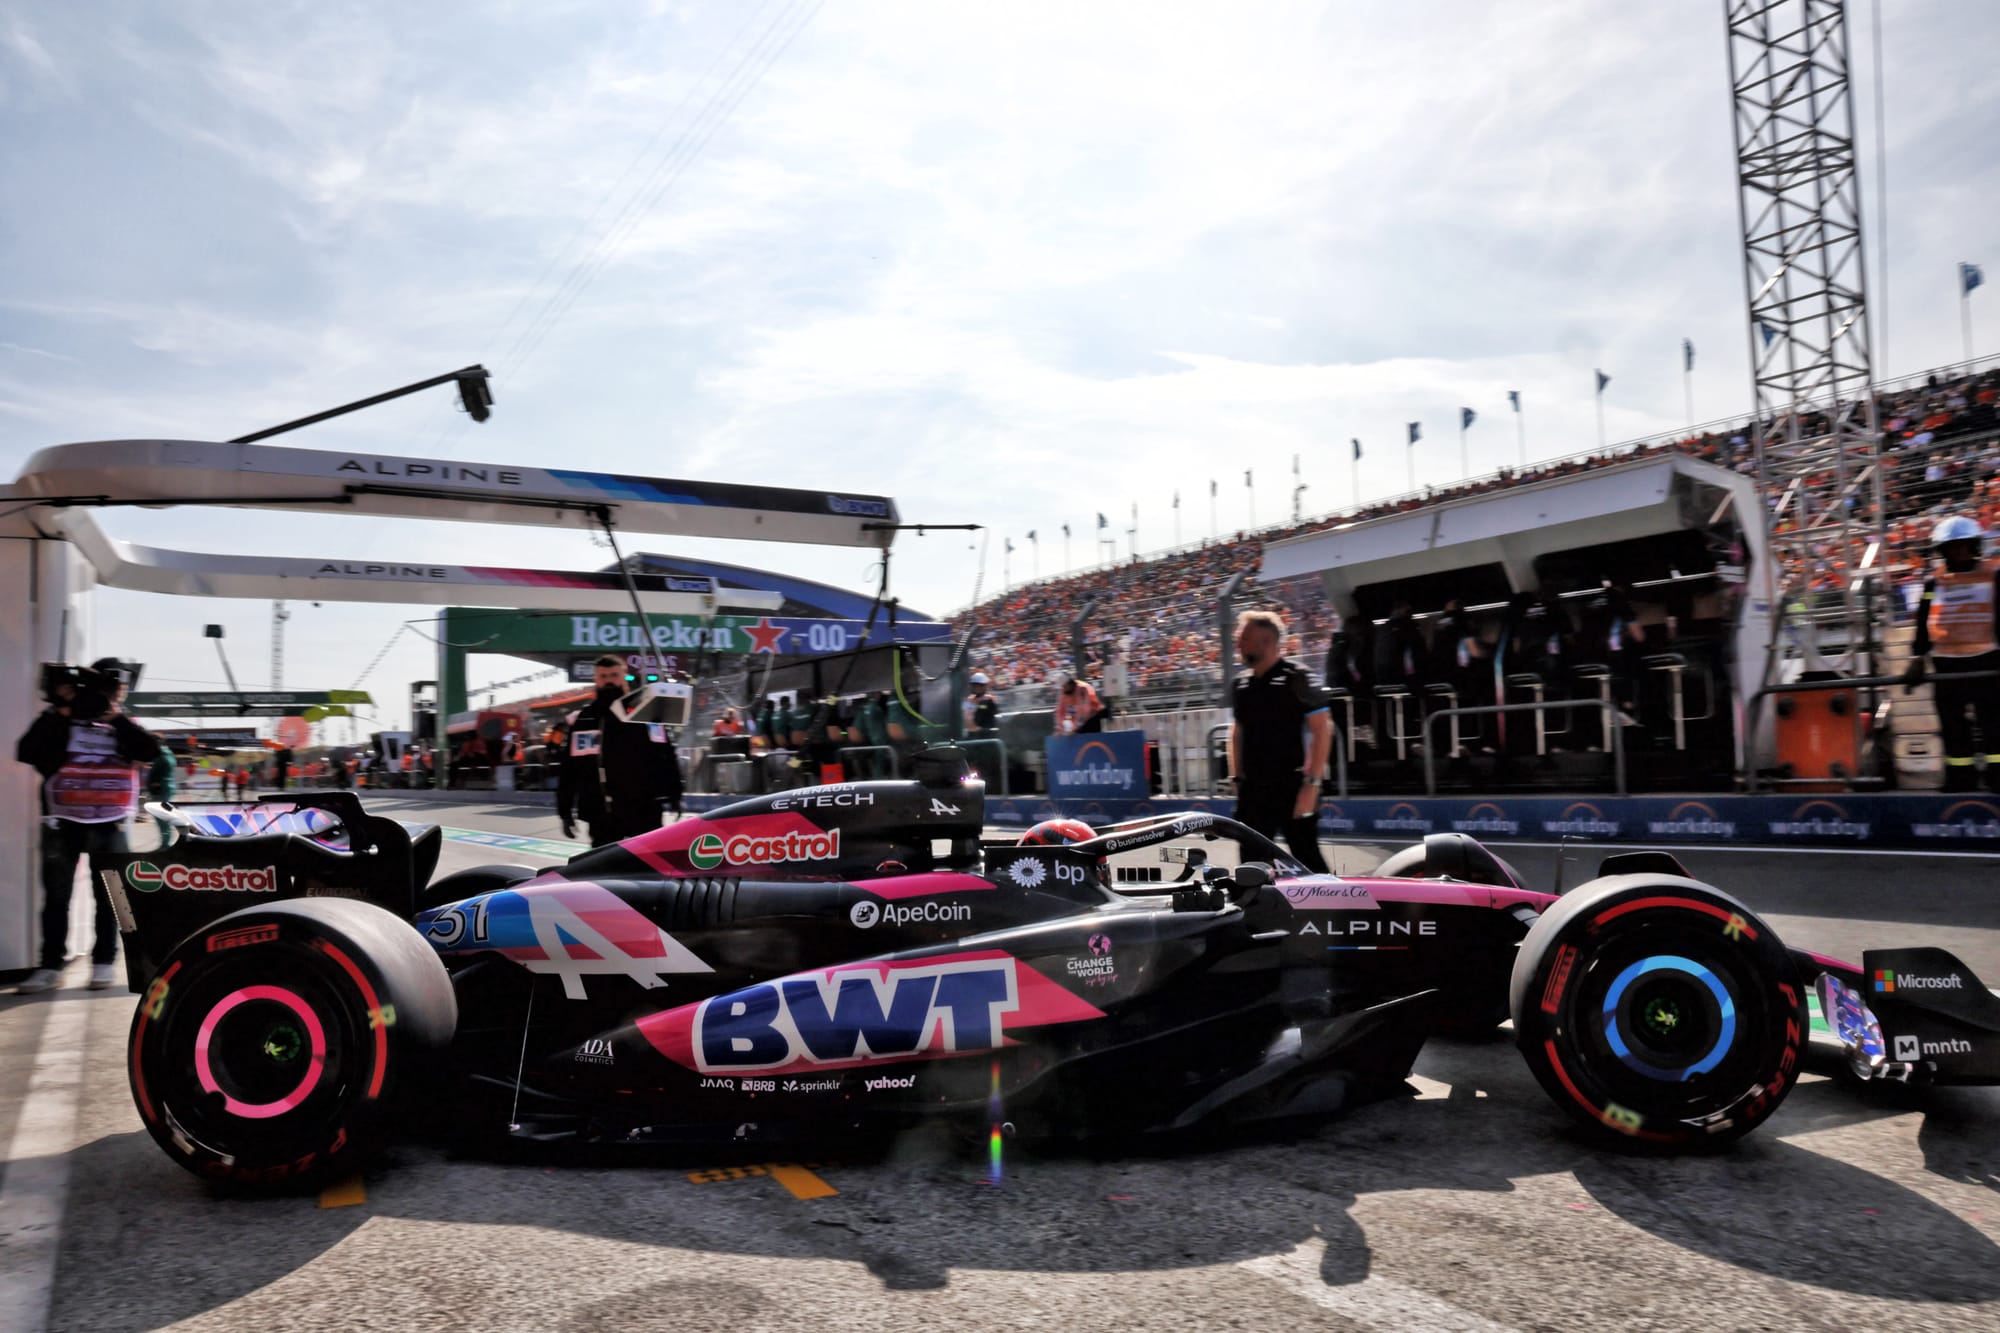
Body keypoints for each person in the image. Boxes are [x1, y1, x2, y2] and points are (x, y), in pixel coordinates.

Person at [13, 658, 163, 993]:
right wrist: (61, 712)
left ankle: (103, 963)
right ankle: (50, 966)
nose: (117, 692)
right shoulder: (62, 718)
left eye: (119, 687)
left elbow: (150, 751)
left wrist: (116, 718)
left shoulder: (125, 722)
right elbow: (27, 750)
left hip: (110, 823)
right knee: (56, 897)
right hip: (61, 822)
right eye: (112, 686)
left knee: (110, 897)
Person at [1227, 610, 1333, 874]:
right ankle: (1258, 914)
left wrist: (1312, 785)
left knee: (1307, 856)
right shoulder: (1240, 684)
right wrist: (1236, 779)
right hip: (1253, 790)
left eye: (1244, 638)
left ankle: (1334, 911)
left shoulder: (1297, 677)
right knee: (1251, 862)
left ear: (1266, 642)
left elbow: (1323, 730)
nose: (1238, 644)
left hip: (1293, 786)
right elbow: (1237, 732)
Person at [1904, 515, 2000, 792]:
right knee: (1952, 726)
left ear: (1974, 546)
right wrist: (1916, 657)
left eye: (1964, 545)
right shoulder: (1934, 582)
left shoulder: (1992, 575)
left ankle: (1997, 778)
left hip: (1987, 660)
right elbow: (1924, 621)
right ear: (1942, 550)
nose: (1959, 551)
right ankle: (1960, 779)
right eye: (1952, 546)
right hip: (1946, 664)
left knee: (1994, 723)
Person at [557, 654, 685, 846]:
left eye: (614, 675)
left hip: (644, 809)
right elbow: (570, 768)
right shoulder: (585, 719)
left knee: (648, 868)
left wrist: (675, 794)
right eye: (603, 676)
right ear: (596, 679)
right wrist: (565, 811)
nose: (609, 680)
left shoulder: (644, 712)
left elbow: (665, 755)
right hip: (602, 813)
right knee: (606, 871)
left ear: (623, 676)